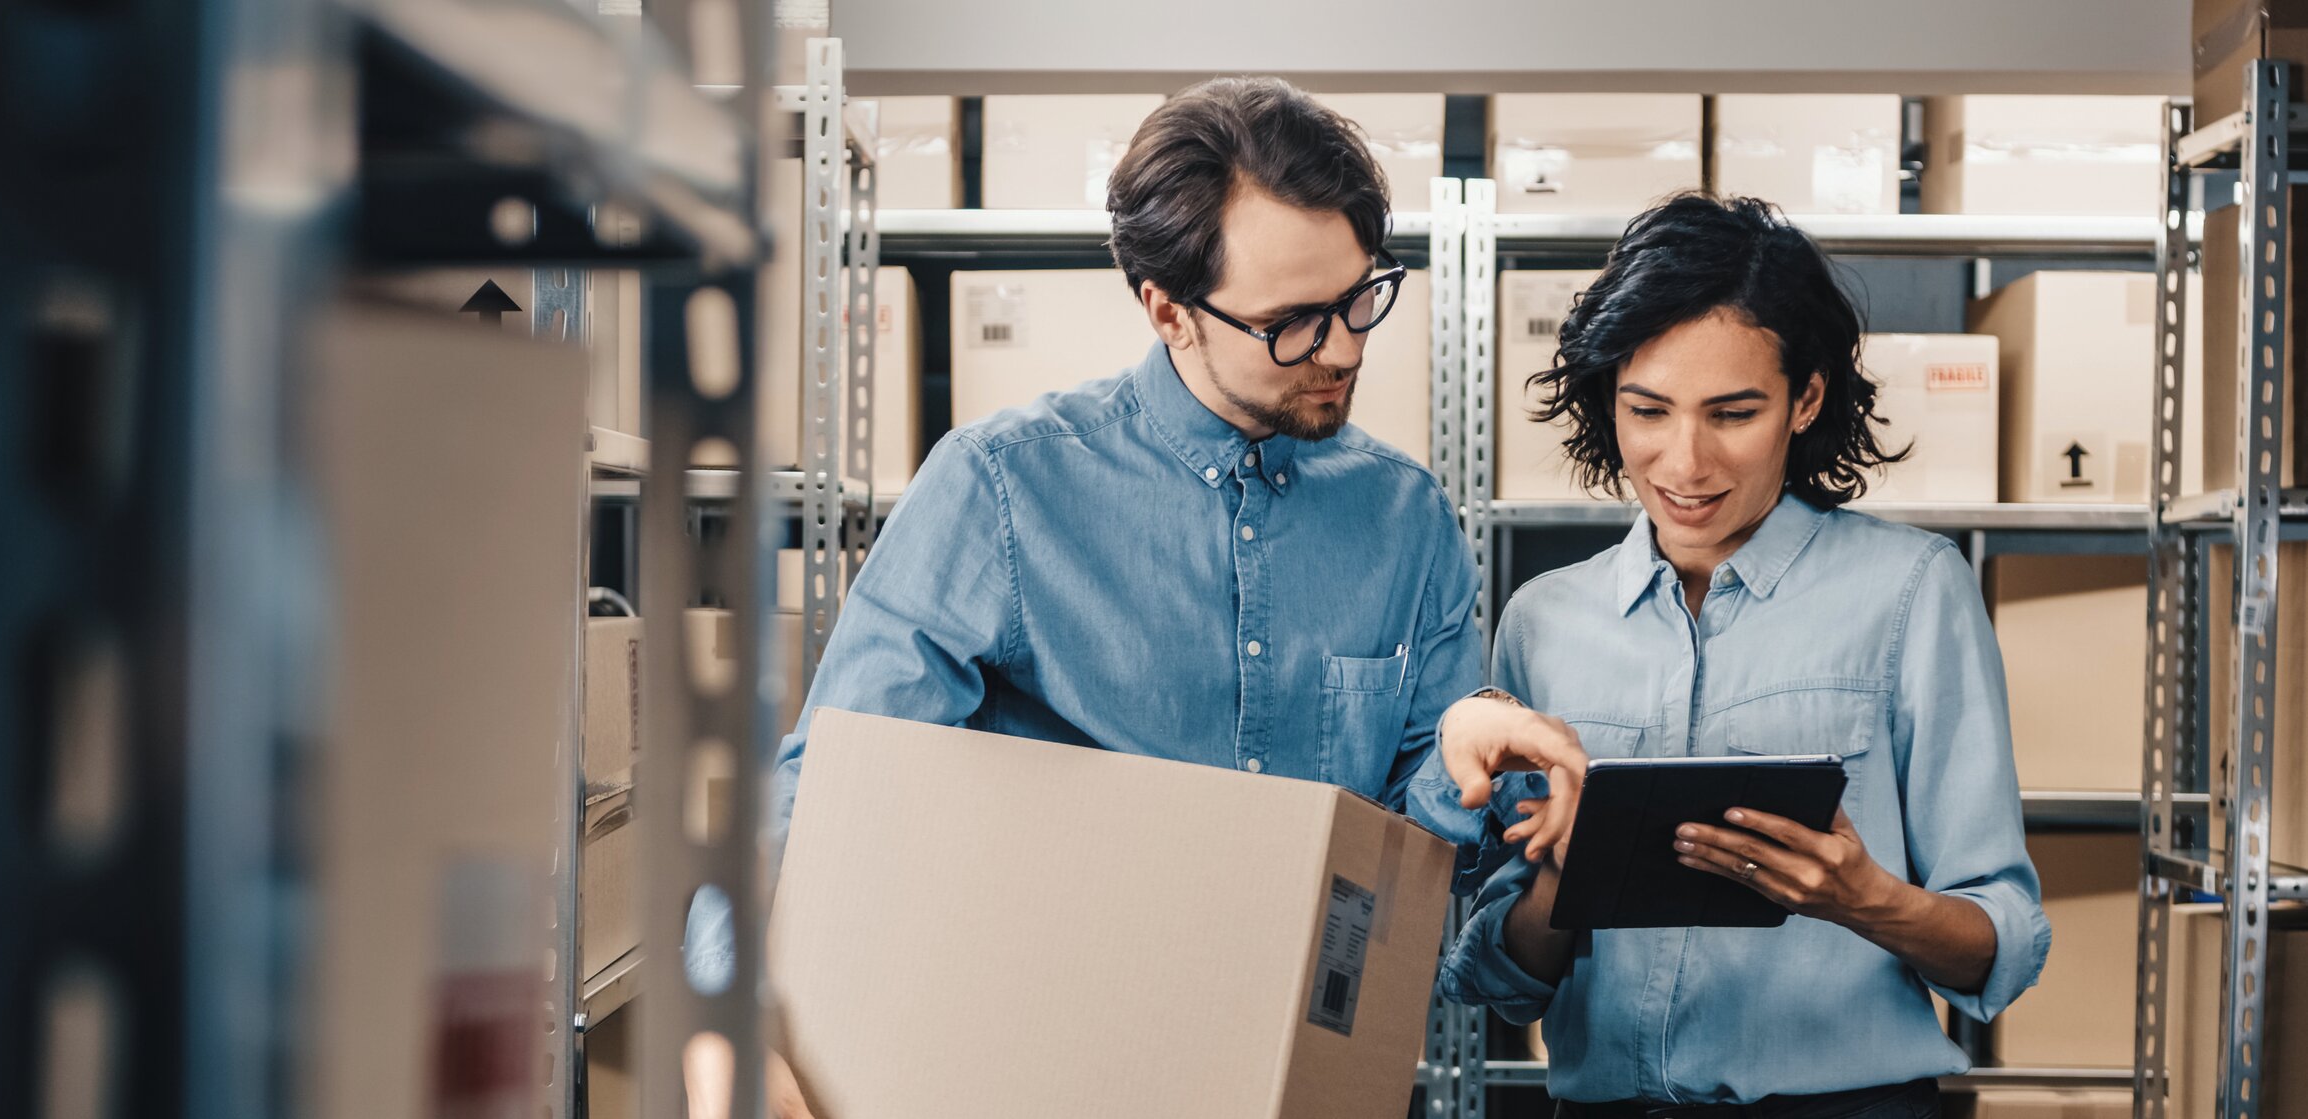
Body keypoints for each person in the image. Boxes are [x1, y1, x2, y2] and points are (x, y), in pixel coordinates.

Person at [682, 77, 1591, 1118]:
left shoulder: (1407, 523)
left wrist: (1461, 769)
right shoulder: (1002, 491)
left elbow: (1410, 889)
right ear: (1167, 309)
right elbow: (825, 802)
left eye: (1358, 298)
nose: (1342, 348)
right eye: (1292, 323)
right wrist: (725, 1022)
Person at [1437, 195, 2050, 1119]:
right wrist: (1564, 871)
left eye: (1733, 412)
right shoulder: (1542, 620)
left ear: (1805, 399)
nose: (1684, 461)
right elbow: (1504, 982)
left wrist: (1865, 899)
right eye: (1648, 409)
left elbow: (1999, 942)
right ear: (1610, 398)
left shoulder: (1913, 591)